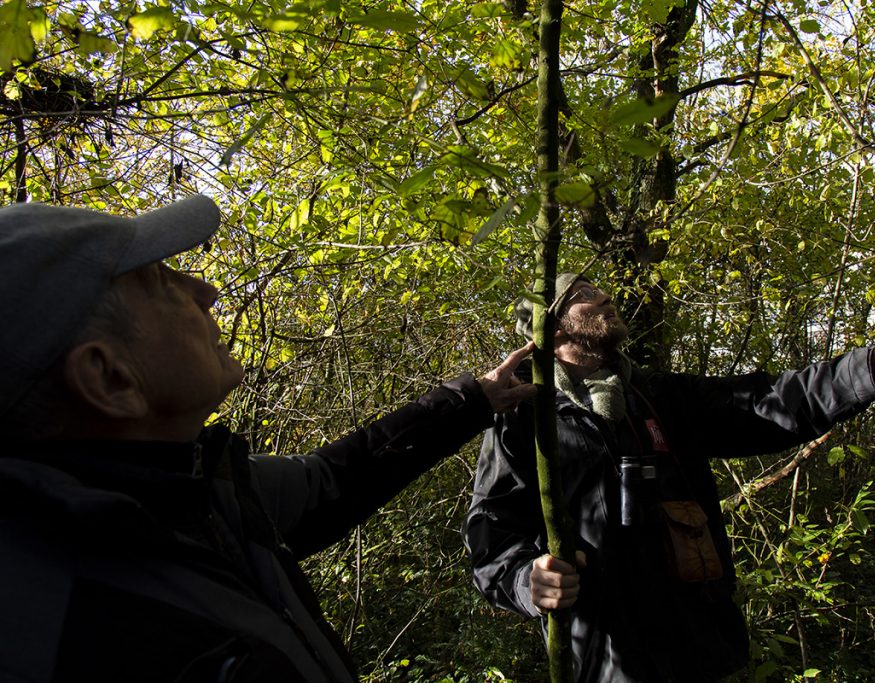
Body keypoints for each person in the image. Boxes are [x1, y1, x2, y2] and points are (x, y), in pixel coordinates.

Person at [0, 195, 535, 683]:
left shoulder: (201, 490)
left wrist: (472, 401)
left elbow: (335, 479)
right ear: (109, 379)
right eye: (160, 282)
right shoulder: (56, 633)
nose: (204, 290)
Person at [463, 272, 875, 682]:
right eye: (582, 295)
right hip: (605, 653)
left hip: (697, 642)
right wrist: (528, 581)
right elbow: (491, 536)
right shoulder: (524, 416)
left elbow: (772, 403)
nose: (604, 297)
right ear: (551, 331)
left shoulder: (659, 394)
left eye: (598, 288)